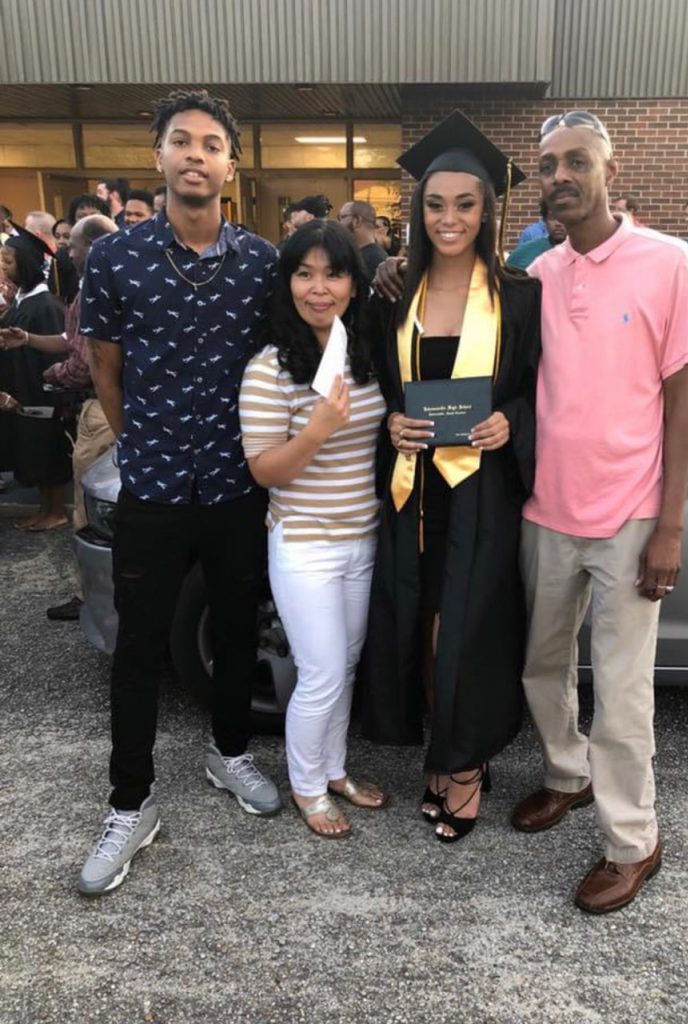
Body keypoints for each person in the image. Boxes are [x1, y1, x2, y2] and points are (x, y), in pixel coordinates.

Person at [76, 88, 281, 895]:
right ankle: (131, 803)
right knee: (138, 647)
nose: (196, 155)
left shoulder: (262, 264)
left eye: (211, 145)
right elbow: (104, 365)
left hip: (236, 484)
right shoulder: (116, 259)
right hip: (155, 488)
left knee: (237, 629)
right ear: (158, 157)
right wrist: (142, 445)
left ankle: (229, 755)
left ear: (232, 164)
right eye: (181, 142)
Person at [511, 110, 688, 913]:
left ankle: (634, 841)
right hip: (545, 509)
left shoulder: (668, 261)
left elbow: (681, 402)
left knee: (623, 691)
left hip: (629, 515)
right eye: (549, 163)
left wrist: (671, 525)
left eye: (576, 160)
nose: (561, 174)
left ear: (608, 169)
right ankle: (566, 774)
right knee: (543, 665)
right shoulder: (538, 272)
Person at [362, 110, 541, 844]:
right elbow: (381, 389)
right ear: (418, 210)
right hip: (413, 492)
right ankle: (443, 751)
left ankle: (464, 764)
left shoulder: (519, 294)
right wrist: (391, 426)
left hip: (480, 493)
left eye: (466, 204)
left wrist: (511, 424)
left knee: (467, 628)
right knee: (420, 626)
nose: (449, 218)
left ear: (489, 210)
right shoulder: (391, 294)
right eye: (436, 204)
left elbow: (536, 389)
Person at [239, 220, 388, 838]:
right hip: (305, 543)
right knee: (321, 671)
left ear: (354, 283)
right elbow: (265, 468)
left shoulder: (364, 352)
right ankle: (305, 785)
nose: (318, 288)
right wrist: (319, 428)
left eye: (334, 272)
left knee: (346, 666)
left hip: (364, 537)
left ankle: (332, 768)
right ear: (288, 281)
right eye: (304, 273)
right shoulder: (270, 368)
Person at [0, 214, 119, 619]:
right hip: (94, 408)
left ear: (95, 246)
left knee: (91, 514)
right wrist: (29, 340)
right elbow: (72, 343)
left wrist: (49, 375)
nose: (66, 251)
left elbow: (85, 365)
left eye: (73, 244)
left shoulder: (101, 289)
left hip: (102, 411)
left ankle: (94, 600)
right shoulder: (87, 288)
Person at [0, 226, 70, 530]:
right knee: (32, 454)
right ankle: (44, 509)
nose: (3, 267)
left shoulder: (45, 306)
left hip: (42, 396)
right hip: (22, 392)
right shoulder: (22, 302)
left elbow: (57, 354)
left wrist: (55, 397)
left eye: (8, 261)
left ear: (27, 264)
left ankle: (55, 511)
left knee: (47, 455)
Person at [506, 199, 567, 269]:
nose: (558, 223)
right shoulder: (525, 253)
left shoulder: (580, 252)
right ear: (545, 220)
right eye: (552, 218)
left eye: (563, 217)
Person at [337, 200, 388, 281]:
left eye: (342, 217)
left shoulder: (372, 261)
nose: (339, 223)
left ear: (357, 221)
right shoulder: (366, 256)